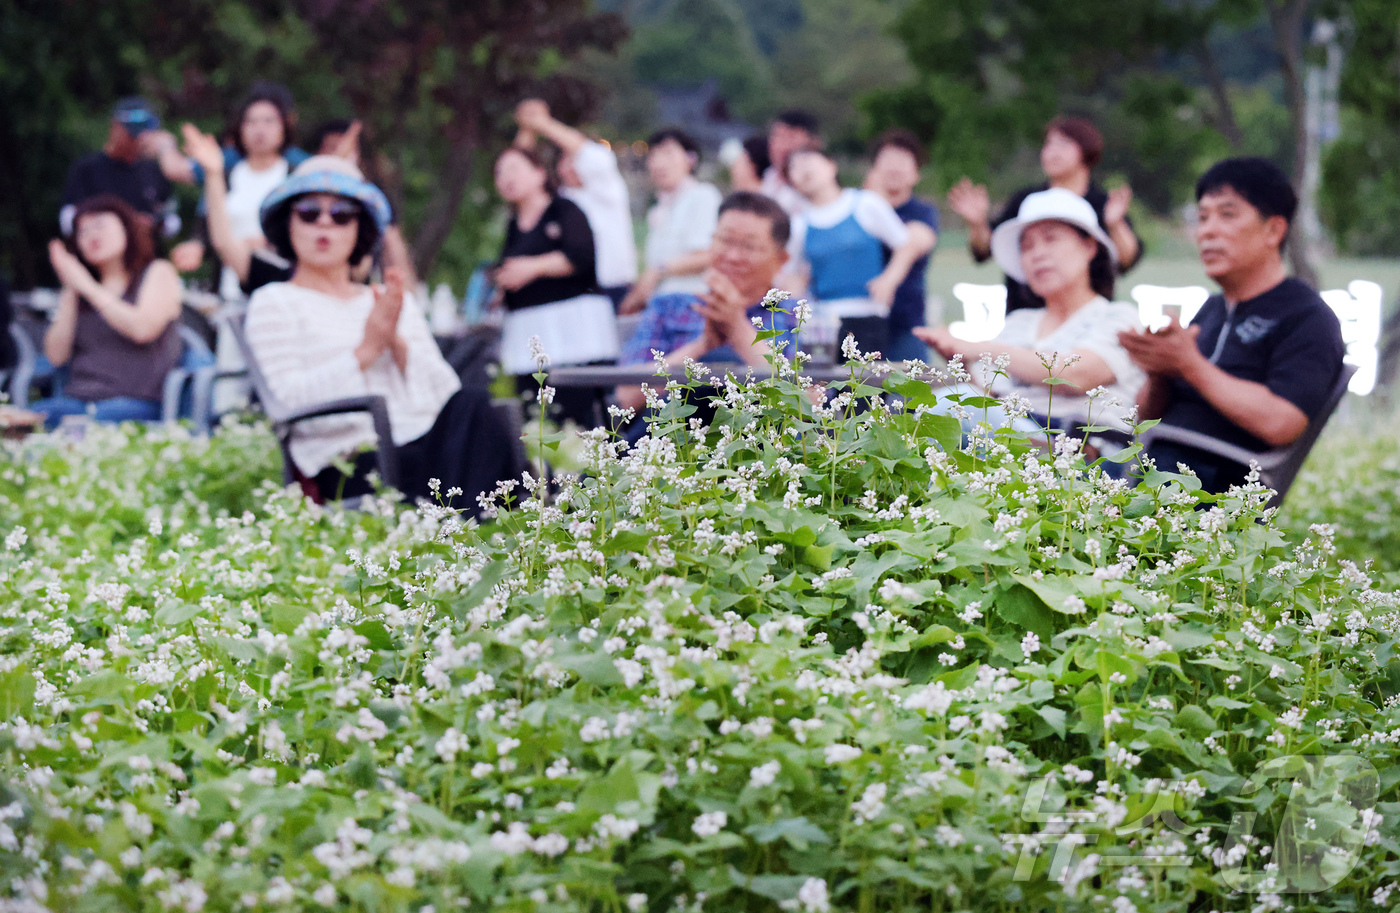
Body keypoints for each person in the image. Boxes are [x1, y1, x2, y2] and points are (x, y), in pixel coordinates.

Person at [244, 161, 521, 506]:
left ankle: (534, 522)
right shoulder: (274, 301)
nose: (325, 223)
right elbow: (286, 400)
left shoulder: (385, 299)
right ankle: (533, 527)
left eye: (343, 213)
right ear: (288, 222)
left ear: (359, 229)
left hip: (422, 443)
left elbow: (445, 395)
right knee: (490, 453)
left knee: (474, 405)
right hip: (352, 461)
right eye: (309, 211)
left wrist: (395, 342)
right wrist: (366, 350)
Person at [1118, 158, 1345, 493]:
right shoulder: (1212, 308)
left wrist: (1190, 365)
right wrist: (1159, 371)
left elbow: (1281, 422)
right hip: (1157, 465)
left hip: (1217, 485)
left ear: (1274, 230)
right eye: (1203, 217)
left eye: (1227, 214)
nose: (1208, 230)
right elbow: (1142, 419)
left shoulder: (1308, 317)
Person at [913, 188, 1144, 433]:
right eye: (1027, 246)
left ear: (1089, 246)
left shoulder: (1119, 317)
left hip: (1082, 455)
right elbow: (988, 398)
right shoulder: (1018, 323)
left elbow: (1076, 376)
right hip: (1011, 451)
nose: (1038, 254)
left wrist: (979, 348)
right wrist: (960, 361)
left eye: (1051, 239)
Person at [614, 192, 798, 414]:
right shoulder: (669, 308)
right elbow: (624, 399)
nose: (732, 256)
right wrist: (702, 345)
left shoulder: (796, 316)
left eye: (749, 247)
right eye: (725, 240)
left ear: (782, 260)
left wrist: (737, 328)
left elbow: (808, 407)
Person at [947, 116, 1142, 314]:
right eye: (1048, 144)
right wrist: (978, 223)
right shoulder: (1027, 201)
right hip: (1026, 310)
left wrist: (1115, 225)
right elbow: (986, 249)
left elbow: (1127, 259)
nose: (1052, 152)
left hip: (1087, 315)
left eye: (1063, 144)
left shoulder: (1102, 204)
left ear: (1086, 150)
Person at [32, 195, 183, 428]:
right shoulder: (79, 289)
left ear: (127, 228)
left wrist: (86, 286)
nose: (92, 235)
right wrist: (70, 289)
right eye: (82, 231)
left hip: (137, 402)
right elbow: (56, 356)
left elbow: (143, 329)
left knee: (90, 422)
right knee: (25, 420)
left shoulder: (157, 272)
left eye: (100, 225)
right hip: (78, 400)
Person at [784, 147, 930, 354]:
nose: (803, 169)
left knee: (864, 383)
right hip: (822, 324)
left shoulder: (866, 203)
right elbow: (790, 275)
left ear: (831, 165)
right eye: (794, 167)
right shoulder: (798, 224)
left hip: (868, 316)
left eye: (808, 160)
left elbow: (905, 244)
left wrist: (889, 280)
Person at [513, 99, 637, 308]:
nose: (569, 164)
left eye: (574, 157)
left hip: (613, 288)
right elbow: (518, 172)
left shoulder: (607, 188)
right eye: (564, 158)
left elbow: (592, 157)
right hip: (572, 294)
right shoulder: (561, 199)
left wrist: (542, 122)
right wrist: (527, 129)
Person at [617, 128, 723, 315]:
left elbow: (708, 255)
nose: (659, 163)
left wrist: (657, 272)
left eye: (668, 154)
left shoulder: (703, 195)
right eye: (653, 156)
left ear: (690, 159)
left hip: (693, 305)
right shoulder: (658, 209)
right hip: (661, 308)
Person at [864, 129, 940, 362]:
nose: (894, 168)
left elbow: (915, 241)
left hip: (906, 325)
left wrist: (889, 280)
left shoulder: (922, 212)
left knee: (908, 396)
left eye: (903, 161)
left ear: (916, 174)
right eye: (887, 160)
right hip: (857, 325)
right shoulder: (855, 208)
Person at [59, 98, 177, 247]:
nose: (139, 140)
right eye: (133, 134)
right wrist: (121, 223)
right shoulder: (86, 169)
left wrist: (155, 224)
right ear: (115, 127)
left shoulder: (154, 170)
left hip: (146, 262)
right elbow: (67, 221)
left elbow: (172, 219)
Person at [760, 110, 821, 217]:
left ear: (813, 142)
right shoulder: (769, 177)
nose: (781, 146)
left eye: (791, 137)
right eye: (777, 136)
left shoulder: (820, 184)